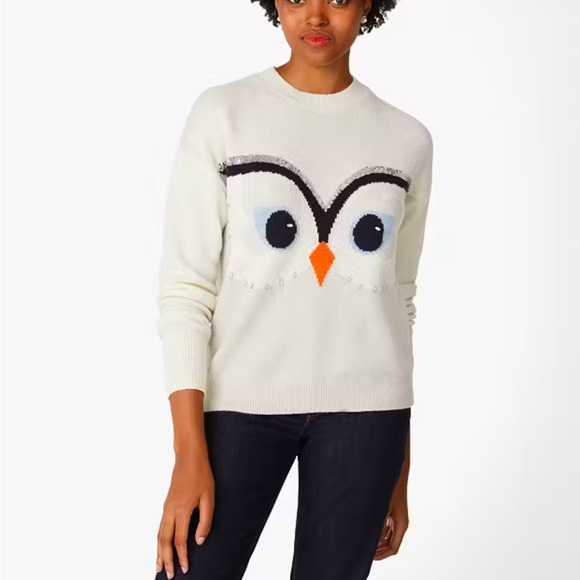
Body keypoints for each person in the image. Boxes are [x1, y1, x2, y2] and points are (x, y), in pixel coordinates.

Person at [154, 0, 433, 578]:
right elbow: (186, 289)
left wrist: (399, 469)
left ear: (369, 4)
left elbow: (399, 299)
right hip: (239, 405)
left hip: (369, 417)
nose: (316, 16)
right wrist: (188, 451)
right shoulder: (224, 114)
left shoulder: (407, 140)